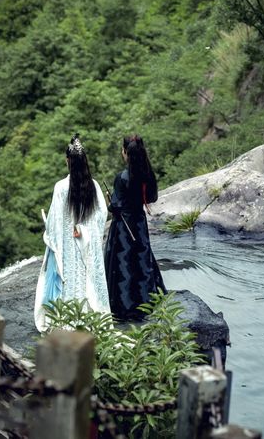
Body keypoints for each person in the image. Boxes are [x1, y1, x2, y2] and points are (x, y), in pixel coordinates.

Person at [34, 134, 111, 331]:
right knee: (86, 280)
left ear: (68, 160)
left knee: (69, 279)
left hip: (68, 245)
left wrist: (53, 235)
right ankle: (89, 317)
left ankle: (67, 318)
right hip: (86, 245)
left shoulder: (61, 187)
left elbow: (54, 222)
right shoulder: (93, 186)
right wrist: (85, 230)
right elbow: (102, 215)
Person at [105, 135, 167, 321]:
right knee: (141, 258)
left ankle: (123, 306)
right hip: (139, 223)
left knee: (122, 263)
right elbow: (152, 198)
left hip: (122, 227)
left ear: (125, 153)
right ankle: (146, 300)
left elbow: (115, 206)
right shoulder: (147, 175)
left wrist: (111, 203)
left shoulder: (121, 178)